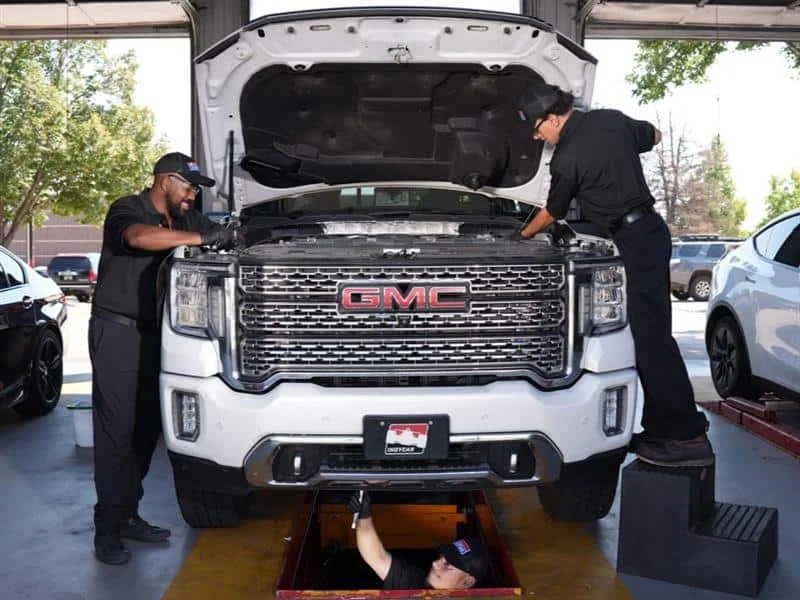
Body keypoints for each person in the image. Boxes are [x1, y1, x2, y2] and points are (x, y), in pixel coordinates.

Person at [513, 83, 713, 468]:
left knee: (651, 339)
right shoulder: (611, 120)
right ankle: (660, 428)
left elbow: (551, 212)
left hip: (635, 239)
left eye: (539, 128)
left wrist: (520, 235)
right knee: (647, 335)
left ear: (553, 117)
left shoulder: (566, 158)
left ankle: (687, 434)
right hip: (650, 234)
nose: (538, 136)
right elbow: (653, 134)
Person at [89, 152, 236, 565]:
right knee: (116, 432)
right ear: (164, 180)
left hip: (160, 337)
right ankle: (107, 529)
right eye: (188, 186)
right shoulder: (127, 209)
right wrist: (200, 239)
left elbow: (223, 234)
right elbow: (137, 238)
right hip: (117, 332)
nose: (193, 195)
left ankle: (129, 513)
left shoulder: (185, 219)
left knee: (146, 433)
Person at [347, 491, 489, 590]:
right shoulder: (415, 582)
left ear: (467, 582)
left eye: (448, 565)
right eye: (441, 558)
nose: (435, 564)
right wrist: (363, 514)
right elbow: (376, 557)